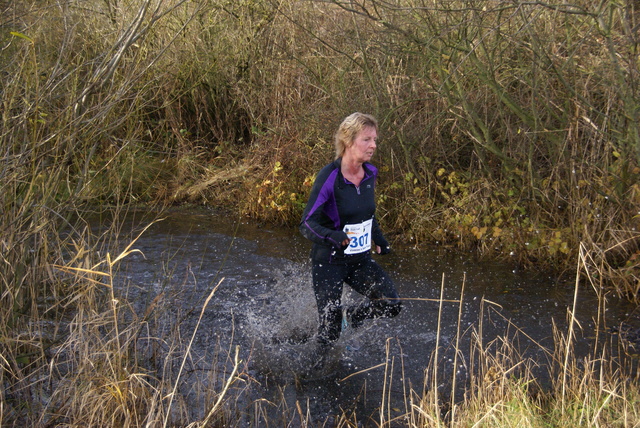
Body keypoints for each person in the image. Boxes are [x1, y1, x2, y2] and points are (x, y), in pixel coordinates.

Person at [299, 112, 403, 355]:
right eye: (367, 139)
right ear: (348, 140)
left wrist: (378, 237)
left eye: (375, 139)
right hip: (330, 262)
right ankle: (315, 377)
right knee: (329, 333)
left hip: (359, 261)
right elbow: (307, 223)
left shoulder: (370, 174)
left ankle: (350, 315)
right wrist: (333, 236)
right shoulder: (329, 177)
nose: (374, 145)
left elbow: (366, 214)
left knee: (391, 304)